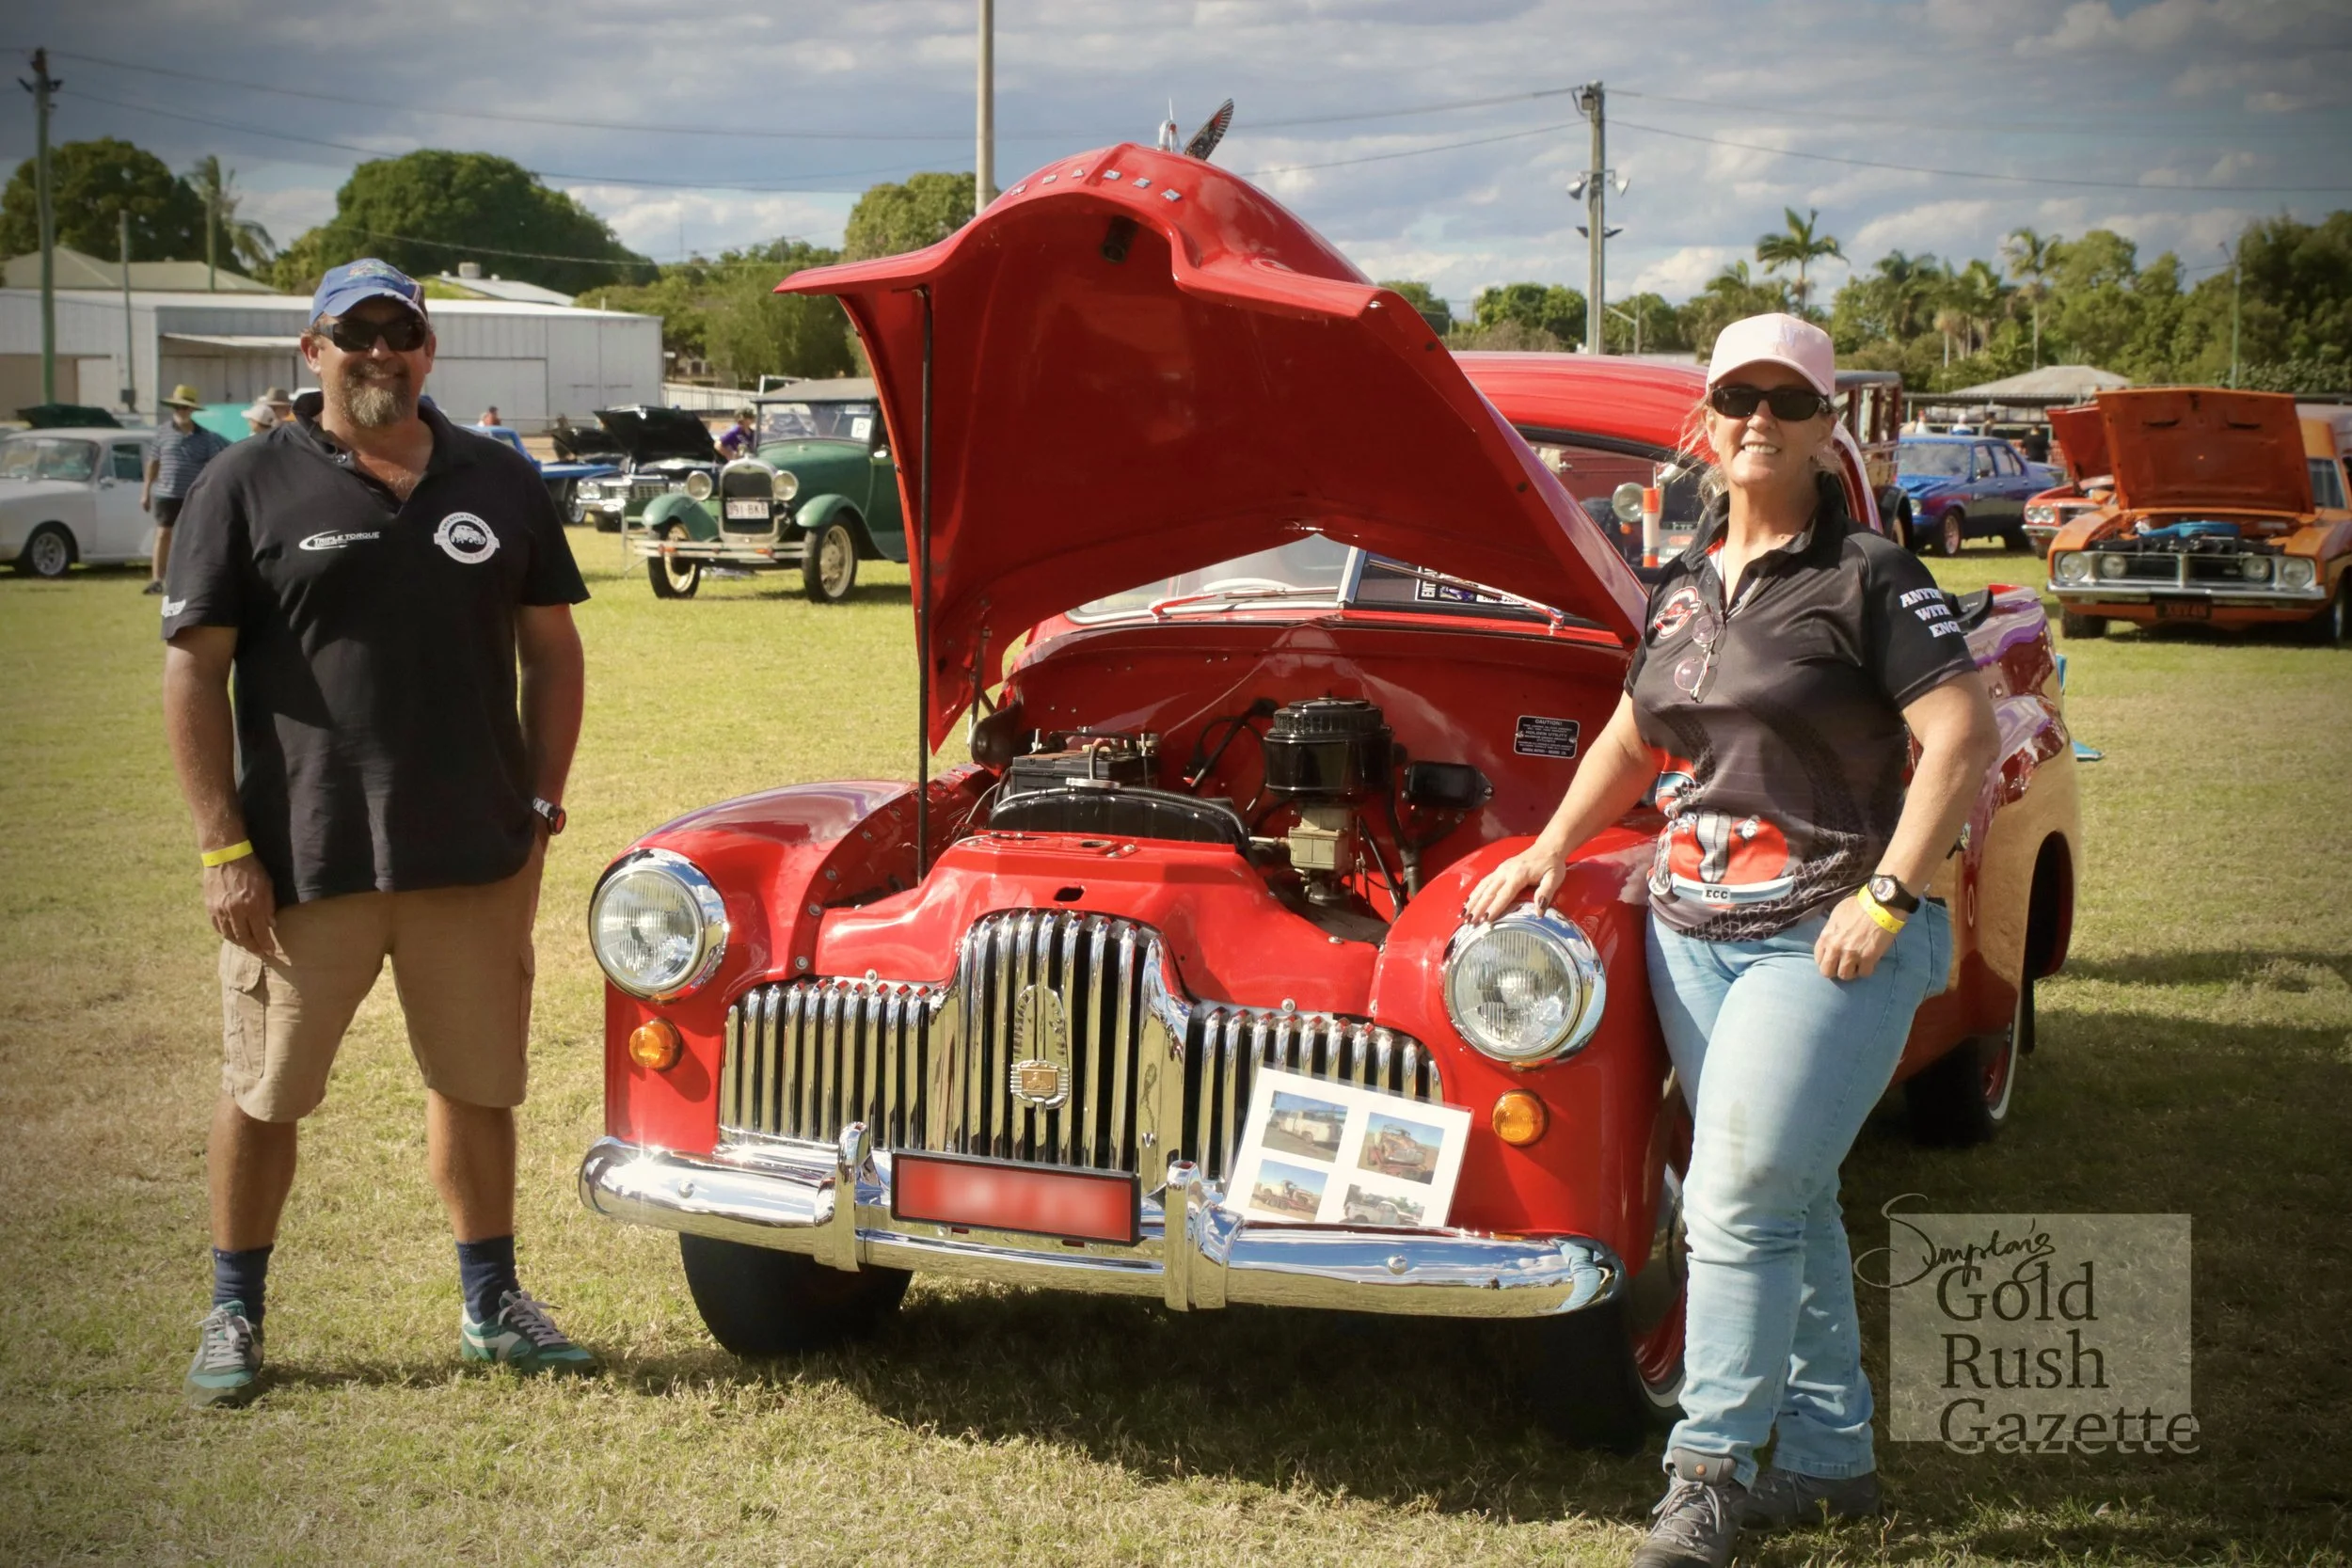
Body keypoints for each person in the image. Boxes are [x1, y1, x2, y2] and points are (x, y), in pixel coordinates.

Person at [1464, 313, 1997, 1568]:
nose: (1760, 419)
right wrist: (1549, 845)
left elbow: (1962, 734)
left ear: (1825, 429)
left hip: (1830, 933)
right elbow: (1631, 732)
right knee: (1784, 1192)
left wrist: (1890, 896)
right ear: (1704, 426)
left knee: (1735, 1196)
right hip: (1693, 926)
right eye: (1737, 399)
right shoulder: (1684, 579)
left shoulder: (1870, 572)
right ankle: (1828, 1455)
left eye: (1787, 400)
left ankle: (1705, 1473)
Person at [160, 258, 594, 1408]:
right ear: (313, 351)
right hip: (302, 862)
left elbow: (552, 650)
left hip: (474, 854)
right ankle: (234, 1308)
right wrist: (221, 844)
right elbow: (192, 674)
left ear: (427, 351)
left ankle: (491, 1303)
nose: (379, 351)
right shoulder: (243, 482)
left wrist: (542, 805)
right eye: (355, 333)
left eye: (400, 332)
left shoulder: (498, 479)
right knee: (265, 1092)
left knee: (479, 1084)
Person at [142, 385, 231, 595]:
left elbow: (212, 465)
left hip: (193, 495)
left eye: (185, 407)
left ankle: (190, 580)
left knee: (193, 537)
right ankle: (157, 580)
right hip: (166, 493)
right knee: (164, 534)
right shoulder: (162, 433)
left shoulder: (205, 437)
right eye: (177, 407)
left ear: (191, 410)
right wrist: (145, 490)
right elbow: (153, 463)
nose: (181, 411)